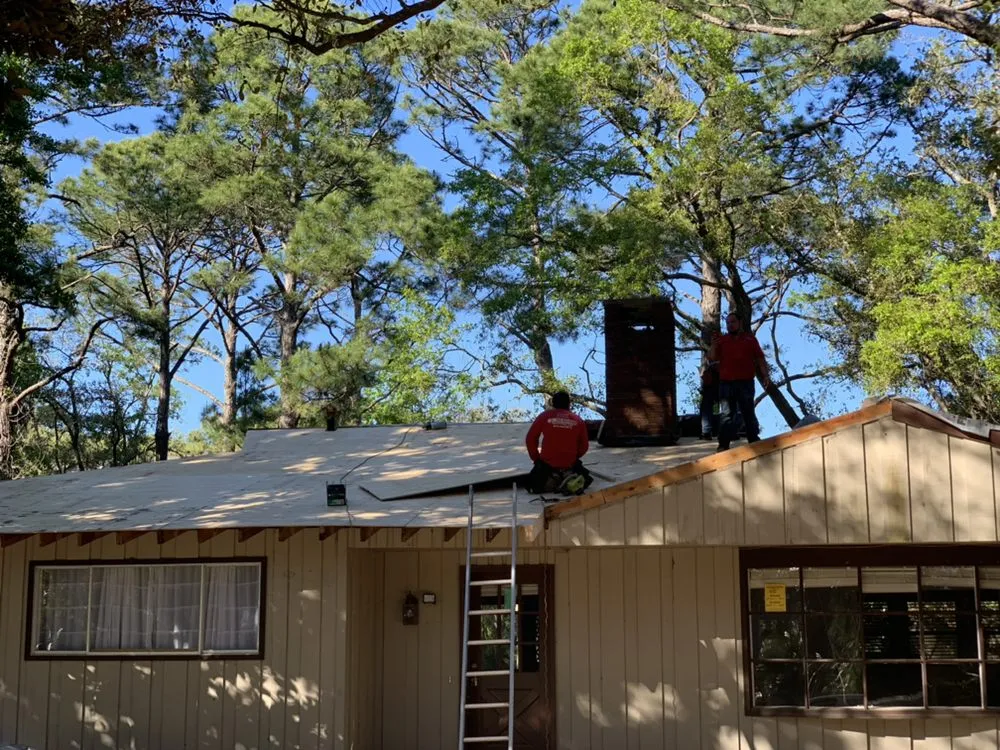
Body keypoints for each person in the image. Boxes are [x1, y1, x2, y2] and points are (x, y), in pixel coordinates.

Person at [709, 312, 772, 452]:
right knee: (726, 414)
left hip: (745, 382)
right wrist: (713, 345)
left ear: (740, 323)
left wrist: (766, 376)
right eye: (728, 323)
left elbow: (760, 359)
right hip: (726, 383)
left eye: (733, 322)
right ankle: (723, 444)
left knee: (748, 411)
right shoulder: (722, 340)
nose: (730, 325)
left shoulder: (750, 340)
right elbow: (712, 358)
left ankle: (753, 440)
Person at [525, 391, 593, 495]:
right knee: (585, 479)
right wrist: (573, 458)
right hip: (569, 466)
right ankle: (567, 479)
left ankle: (552, 480)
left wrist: (536, 459)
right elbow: (584, 446)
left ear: (553, 403)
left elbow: (530, 439)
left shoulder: (544, 416)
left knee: (532, 486)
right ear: (569, 404)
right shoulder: (578, 420)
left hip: (547, 467)